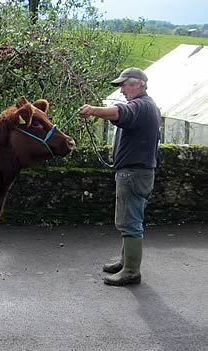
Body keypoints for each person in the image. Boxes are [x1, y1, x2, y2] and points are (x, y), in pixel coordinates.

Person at [79, 67, 161, 286]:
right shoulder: (149, 106)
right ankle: (126, 262)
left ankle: (131, 271)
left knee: (130, 220)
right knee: (131, 218)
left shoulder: (140, 106)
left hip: (133, 172)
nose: (122, 89)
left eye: (124, 84)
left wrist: (93, 110)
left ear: (138, 84)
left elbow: (120, 113)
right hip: (139, 171)